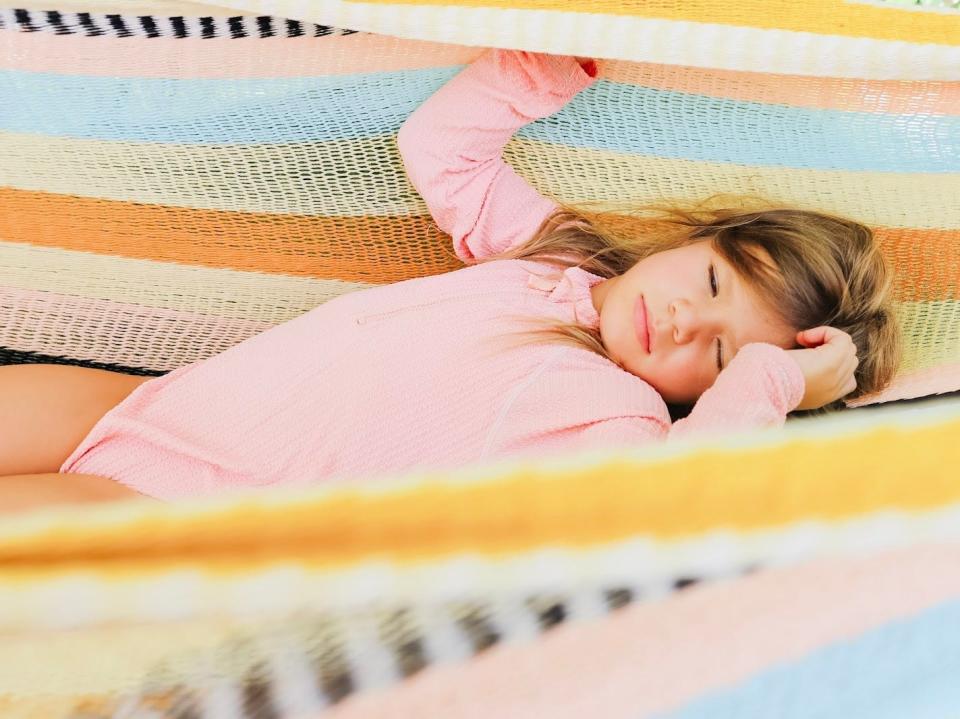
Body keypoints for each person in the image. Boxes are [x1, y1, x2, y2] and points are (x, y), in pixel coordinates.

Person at [0, 50, 899, 512]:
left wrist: (777, 381)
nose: (679, 320)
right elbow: (443, 152)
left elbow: (667, 501)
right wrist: (547, 65)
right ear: (689, 239)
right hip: (162, 404)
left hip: (181, 505)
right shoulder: (559, 258)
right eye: (707, 281)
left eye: (719, 354)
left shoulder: (614, 425)